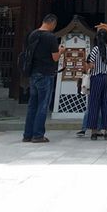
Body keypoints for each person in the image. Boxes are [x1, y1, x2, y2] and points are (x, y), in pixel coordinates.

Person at [22, 14, 61, 143]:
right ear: (52, 23)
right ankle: (38, 134)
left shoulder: (32, 35)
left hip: (33, 72)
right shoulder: (50, 37)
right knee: (43, 105)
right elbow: (55, 57)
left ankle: (27, 134)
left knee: (32, 104)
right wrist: (61, 51)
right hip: (45, 73)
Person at [84, 28, 107, 140]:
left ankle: (94, 131)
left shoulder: (95, 49)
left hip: (96, 78)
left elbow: (90, 65)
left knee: (94, 104)